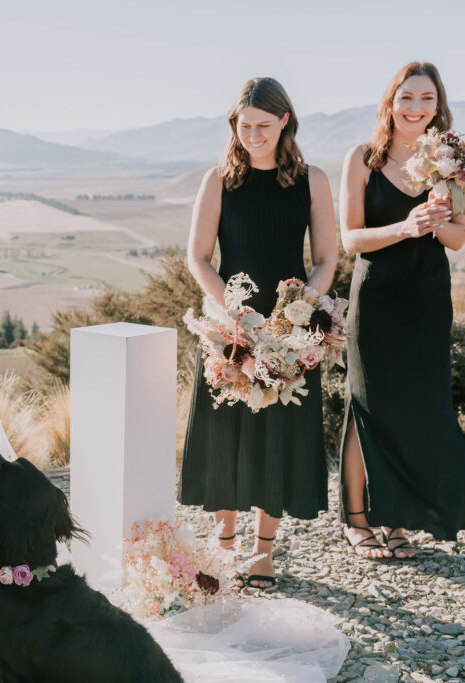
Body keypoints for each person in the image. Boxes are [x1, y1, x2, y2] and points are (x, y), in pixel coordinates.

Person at [180, 77, 338, 588]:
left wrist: (301, 310)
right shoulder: (218, 180)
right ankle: (223, 546)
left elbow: (327, 259)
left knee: (278, 435)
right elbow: (198, 257)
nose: (253, 135)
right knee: (224, 434)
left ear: (285, 121)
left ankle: (262, 552)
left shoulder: (312, 180)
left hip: (291, 329)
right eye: (244, 126)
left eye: (263, 126)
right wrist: (232, 312)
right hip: (230, 326)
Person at [338, 61, 465, 559]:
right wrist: (405, 227)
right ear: (390, 101)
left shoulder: (452, 161)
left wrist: (436, 222)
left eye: (426, 99)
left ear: (439, 106)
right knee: (366, 403)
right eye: (407, 97)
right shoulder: (362, 158)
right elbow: (351, 239)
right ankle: (357, 519)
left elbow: (458, 240)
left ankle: (399, 521)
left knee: (420, 404)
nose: (416, 108)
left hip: (428, 297)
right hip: (376, 298)